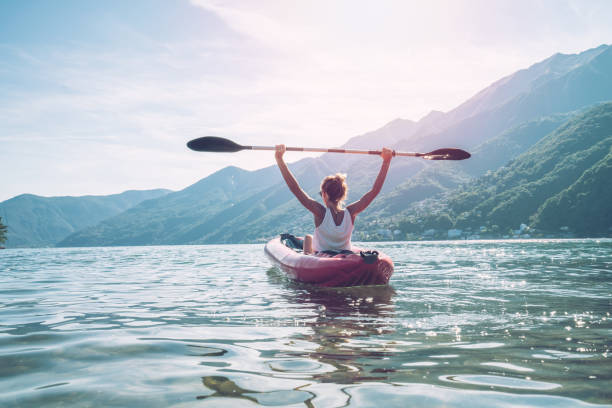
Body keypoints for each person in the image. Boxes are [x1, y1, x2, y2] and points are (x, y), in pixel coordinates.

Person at [275, 144, 394, 254]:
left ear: (325, 194)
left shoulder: (320, 213)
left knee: (308, 238)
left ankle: (304, 258)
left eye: (321, 193)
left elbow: (295, 189)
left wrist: (279, 159)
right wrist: (386, 162)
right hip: (345, 256)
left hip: (321, 260)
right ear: (342, 194)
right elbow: (375, 191)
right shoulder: (351, 213)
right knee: (308, 238)